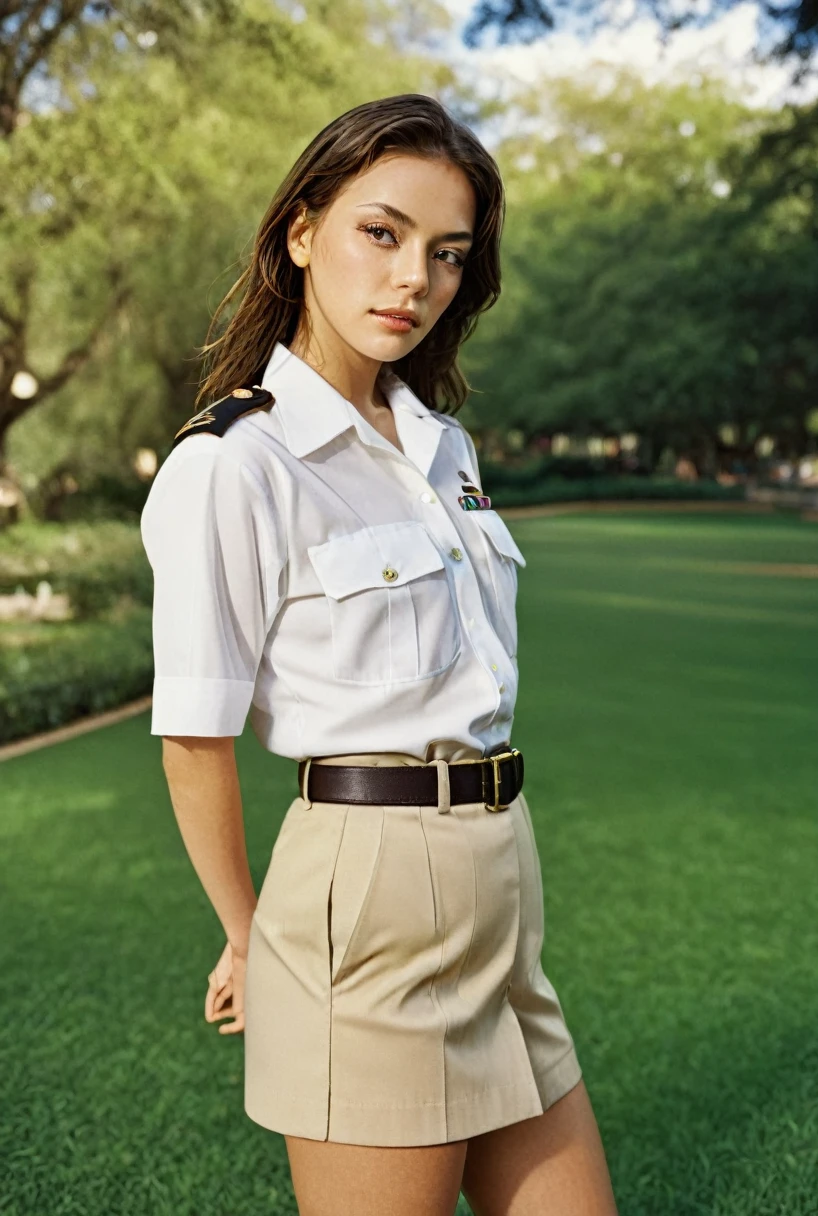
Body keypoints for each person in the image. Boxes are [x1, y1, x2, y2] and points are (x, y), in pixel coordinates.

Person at [140, 92, 618, 1216]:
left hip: (501, 876)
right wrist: (253, 938)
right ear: (301, 233)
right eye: (382, 233)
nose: (414, 278)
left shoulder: (440, 446)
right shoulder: (235, 463)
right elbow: (193, 733)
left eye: (447, 255)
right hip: (363, 884)